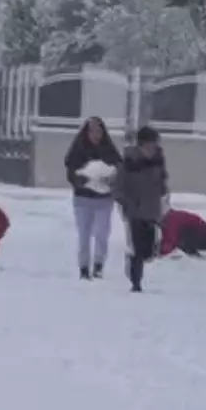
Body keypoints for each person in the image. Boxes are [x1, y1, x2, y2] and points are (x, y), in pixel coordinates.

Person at [64, 116, 122, 280]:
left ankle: (98, 265)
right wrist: (81, 180)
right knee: (84, 235)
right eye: (92, 131)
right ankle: (83, 267)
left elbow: (119, 169)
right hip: (83, 199)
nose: (96, 134)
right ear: (86, 133)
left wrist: (111, 179)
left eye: (99, 131)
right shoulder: (78, 150)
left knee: (102, 234)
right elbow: (71, 172)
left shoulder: (109, 150)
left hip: (104, 200)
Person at [113, 126, 167, 292]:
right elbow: (118, 186)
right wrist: (126, 201)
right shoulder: (128, 160)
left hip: (152, 210)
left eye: (154, 145)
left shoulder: (158, 160)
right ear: (140, 145)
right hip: (134, 210)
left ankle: (133, 262)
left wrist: (163, 194)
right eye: (148, 146)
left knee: (149, 251)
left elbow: (162, 182)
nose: (151, 149)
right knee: (137, 248)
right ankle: (136, 283)